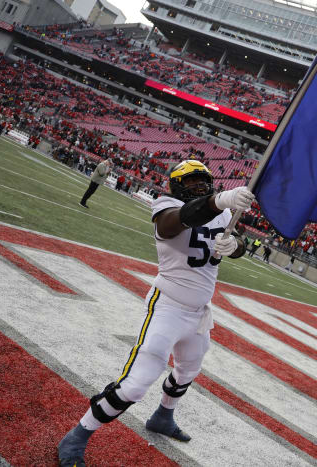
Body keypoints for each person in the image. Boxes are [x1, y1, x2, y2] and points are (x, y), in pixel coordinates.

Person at [57, 160, 255, 466]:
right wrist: (218, 200)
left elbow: (240, 244)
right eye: (191, 183)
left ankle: (163, 416)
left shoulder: (224, 213)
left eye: (203, 182)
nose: (199, 187)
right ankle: (78, 435)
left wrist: (235, 245)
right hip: (168, 307)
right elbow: (171, 224)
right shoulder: (167, 206)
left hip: (199, 311)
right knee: (136, 383)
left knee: (189, 369)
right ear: (177, 187)